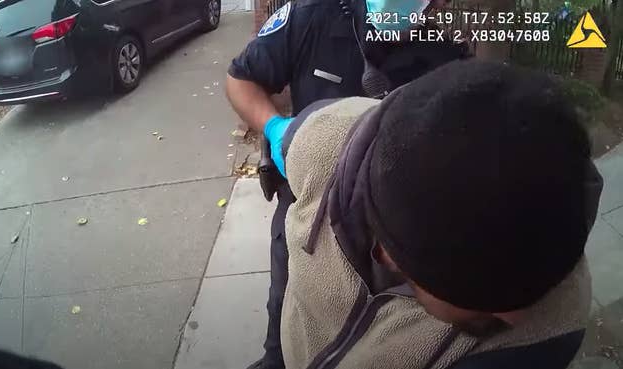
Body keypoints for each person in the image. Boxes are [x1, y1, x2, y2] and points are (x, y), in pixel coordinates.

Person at [268, 59, 603, 369]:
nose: (519, 316)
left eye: (535, 290)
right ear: (388, 254)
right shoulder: (320, 138)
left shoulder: (547, 335)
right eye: (483, 300)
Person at [226, 1, 470, 368]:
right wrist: (276, 130)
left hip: (393, 235)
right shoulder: (311, 17)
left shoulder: (448, 53)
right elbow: (240, 79)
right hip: (308, 214)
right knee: (285, 319)